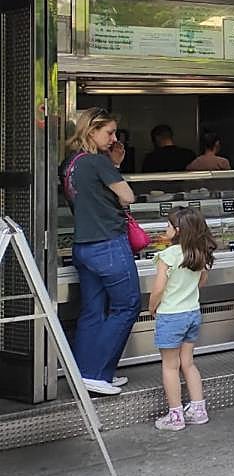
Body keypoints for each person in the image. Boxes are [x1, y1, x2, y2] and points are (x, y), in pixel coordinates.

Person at [60, 108, 139, 396]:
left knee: (92, 311)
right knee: (127, 306)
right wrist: (114, 166)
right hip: (108, 244)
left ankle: (84, 372)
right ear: (91, 131)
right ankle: (97, 373)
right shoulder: (97, 162)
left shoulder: (69, 164)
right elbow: (127, 196)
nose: (115, 139)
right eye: (109, 133)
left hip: (83, 246)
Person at [149, 207, 217, 430]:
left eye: (168, 226)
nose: (165, 229)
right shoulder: (198, 253)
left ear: (177, 231)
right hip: (192, 313)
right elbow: (202, 281)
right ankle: (198, 410)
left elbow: (159, 288)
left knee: (170, 366)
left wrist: (152, 307)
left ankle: (175, 416)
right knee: (188, 363)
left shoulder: (167, 255)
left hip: (170, 315)